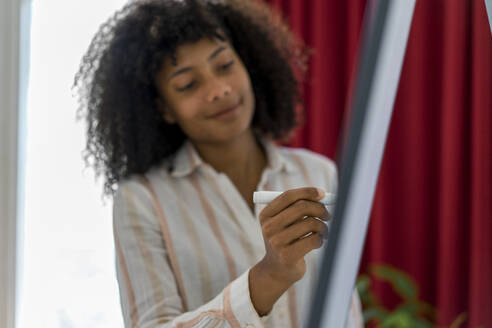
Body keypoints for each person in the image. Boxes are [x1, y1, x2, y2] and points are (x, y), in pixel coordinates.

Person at [74, 0, 363, 327]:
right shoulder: (142, 199)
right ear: (163, 108)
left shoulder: (318, 173)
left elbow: (346, 309)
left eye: (224, 65)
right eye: (188, 85)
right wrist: (266, 279)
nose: (219, 90)